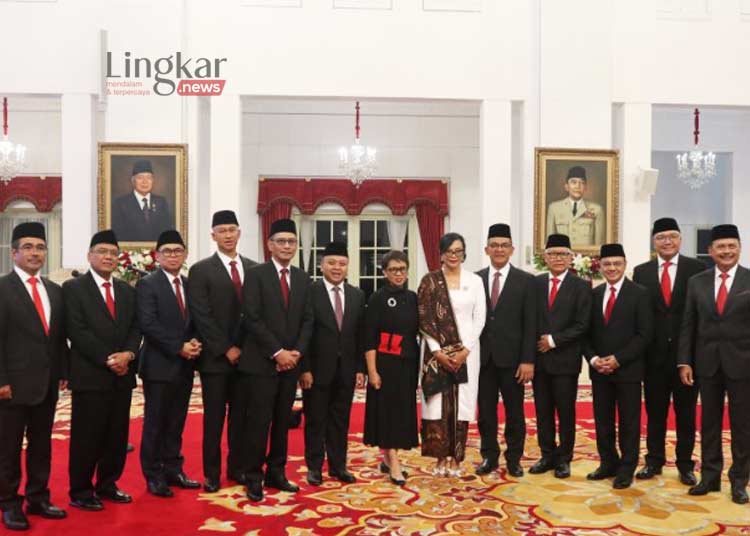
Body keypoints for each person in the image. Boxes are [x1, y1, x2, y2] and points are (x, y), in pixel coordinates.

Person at [64, 230, 141, 510]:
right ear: (90, 256)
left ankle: (108, 484)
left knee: (116, 435)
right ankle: (81, 491)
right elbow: (76, 330)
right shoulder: (73, 290)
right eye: (102, 252)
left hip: (122, 377)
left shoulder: (126, 290)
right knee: (87, 436)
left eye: (113, 253)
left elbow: (136, 327)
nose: (108, 257)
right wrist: (110, 359)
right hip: (90, 375)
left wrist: (129, 354)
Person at [0, 223, 68, 530]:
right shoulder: (2, 288)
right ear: (14, 253)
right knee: (8, 449)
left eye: (40, 247)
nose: (34, 252)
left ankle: (38, 497)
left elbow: (57, 337)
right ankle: (9, 503)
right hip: (11, 386)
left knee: (42, 446)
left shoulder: (54, 290)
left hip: (47, 383)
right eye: (27, 247)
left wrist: (63, 373)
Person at [241, 218, 313, 502]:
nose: (286, 246)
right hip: (261, 363)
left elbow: (308, 320)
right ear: (270, 245)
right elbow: (252, 318)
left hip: (290, 365)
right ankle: (253, 476)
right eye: (281, 241)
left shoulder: (303, 277)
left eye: (291, 241)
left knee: (283, 421)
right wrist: (277, 352)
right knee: (258, 422)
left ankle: (277, 472)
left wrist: (296, 353)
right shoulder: (256, 274)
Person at [678, 224, 750, 505]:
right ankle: (709, 477)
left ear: (740, 248)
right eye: (721, 247)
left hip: (743, 363)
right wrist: (684, 361)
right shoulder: (697, 281)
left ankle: (739, 480)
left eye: (732, 246)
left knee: (742, 425)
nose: (727, 251)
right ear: (710, 251)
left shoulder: (748, 279)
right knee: (709, 423)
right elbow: (688, 324)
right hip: (706, 363)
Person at [187, 210, 256, 492]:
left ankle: (237, 468)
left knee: (241, 418)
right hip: (215, 360)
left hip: (247, 358)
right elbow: (201, 315)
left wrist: (242, 348)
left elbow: (256, 314)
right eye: (222, 230)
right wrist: (226, 348)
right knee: (214, 420)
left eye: (232, 229)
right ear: (213, 235)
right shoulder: (201, 270)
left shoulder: (254, 268)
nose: (228, 235)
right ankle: (212, 474)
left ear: (239, 233)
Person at [633, 218, 704, 486]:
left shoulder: (696, 269)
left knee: (686, 413)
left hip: (687, 357)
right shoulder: (642, 271)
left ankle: (685, 464)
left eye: (672, 236)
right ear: (654, 242)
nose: (667, 242)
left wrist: (692, 355)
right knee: (655, 412)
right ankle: (654, 460)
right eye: (661, 237)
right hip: (653, 357)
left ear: (680, 239)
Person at [137, 230, 202, 498]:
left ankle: (173, 469)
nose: (173, 255)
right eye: (167, 251)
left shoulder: (189, 284)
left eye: (178, 251)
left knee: (177, 421)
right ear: (157, 256)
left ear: (185, 255)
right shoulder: (148, 284)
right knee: (156, 423)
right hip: (159, 366)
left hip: (185, 366)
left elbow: (196, 319)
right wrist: (179, 347)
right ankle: (153, 475)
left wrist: (197, 342)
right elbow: (148, 324)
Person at [584, 243, 652, 489]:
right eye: (607, 264)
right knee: (602, 420)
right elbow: (586, 334)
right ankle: (607, 463)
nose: (612, 268)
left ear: (625, 265)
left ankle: (626, 467)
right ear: (600, 266)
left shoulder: (640, 294)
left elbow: (644, 335)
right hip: (599, 371)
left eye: (617, 264)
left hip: (628, 370)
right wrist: (594, 360)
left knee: (629, 422)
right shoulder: (593, 294)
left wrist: (618, 359)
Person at [418, 233, 486, 477]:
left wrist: (465, 350)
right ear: (441, 253)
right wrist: (437, 351)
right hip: (435, 354)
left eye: (458, 251)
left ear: (464, 252)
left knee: (462, 405)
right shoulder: (430, 281)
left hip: (468, 353)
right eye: (449, 251)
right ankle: (439, 457)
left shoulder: (475, 281)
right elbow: (425, 317)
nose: (453, 255)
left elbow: (480, 318)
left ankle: (456, 457)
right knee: (436, 405)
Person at [300, 241, 366, 486]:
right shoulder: (310, 292)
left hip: (346, 370)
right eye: (331, 263)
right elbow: (303, 333)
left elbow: (361, 335)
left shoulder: (357, 295)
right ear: (321, 264)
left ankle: (339, 467)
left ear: (348, 266)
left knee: (341, 420)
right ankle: (314, 468)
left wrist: (360, 368)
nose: (337, 268)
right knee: (316, 420)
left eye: (342, 263)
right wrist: (304, 368)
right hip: (316, 371)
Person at [475, 223, 536, 478]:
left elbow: (530, 323)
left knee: (515, 413)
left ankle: (514, 458)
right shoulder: (475, 279)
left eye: (504, 245)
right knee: (486, 412)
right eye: (494, 245)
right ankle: (489, 456)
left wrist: (527, 360)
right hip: (483, 359)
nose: (499, 249)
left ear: (512, 249)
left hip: (513, 361)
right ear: (486, 249)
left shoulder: (526, 281)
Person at [529, 234, 591, 479]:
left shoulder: (581, 286)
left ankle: (564, 458)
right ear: (545, 257)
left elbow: (582, 324)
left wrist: (553, 340)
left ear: (571, 257)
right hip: (539, 360)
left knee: (565, 411)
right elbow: (529, 319)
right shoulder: (535, 284)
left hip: (565, 360)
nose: (557, 258)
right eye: (552, 253)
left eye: (563, 254)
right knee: (542, 411)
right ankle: (546, 455)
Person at [363, 250, 419, 485]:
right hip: (385, 364)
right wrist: (372, 371)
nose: (399, 274)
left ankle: (388, 457)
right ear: (384, 272)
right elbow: (369, 338)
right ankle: (394, 462)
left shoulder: (413, 297)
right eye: (393, 269)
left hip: (408, 362)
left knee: (401, 412)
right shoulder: (377, 297)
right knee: (387, 413)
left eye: (402, 269)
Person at [111, 159, 173, 242]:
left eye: (148, 178)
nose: (145, 182)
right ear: (133, 181)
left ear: (153, 181)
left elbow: (167, 232)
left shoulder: (161, 202)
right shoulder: (121, 204)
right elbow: (118, 234)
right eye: (140, 178)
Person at [546, 165, 604, 248]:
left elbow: (599, 246)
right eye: (574, 182)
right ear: (566, 186)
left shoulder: (597, 209)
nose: (578, 186)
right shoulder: (554, 208)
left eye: (582, 183)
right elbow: (550, 244)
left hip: (587, 259)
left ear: (585, 187)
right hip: (561, 258)